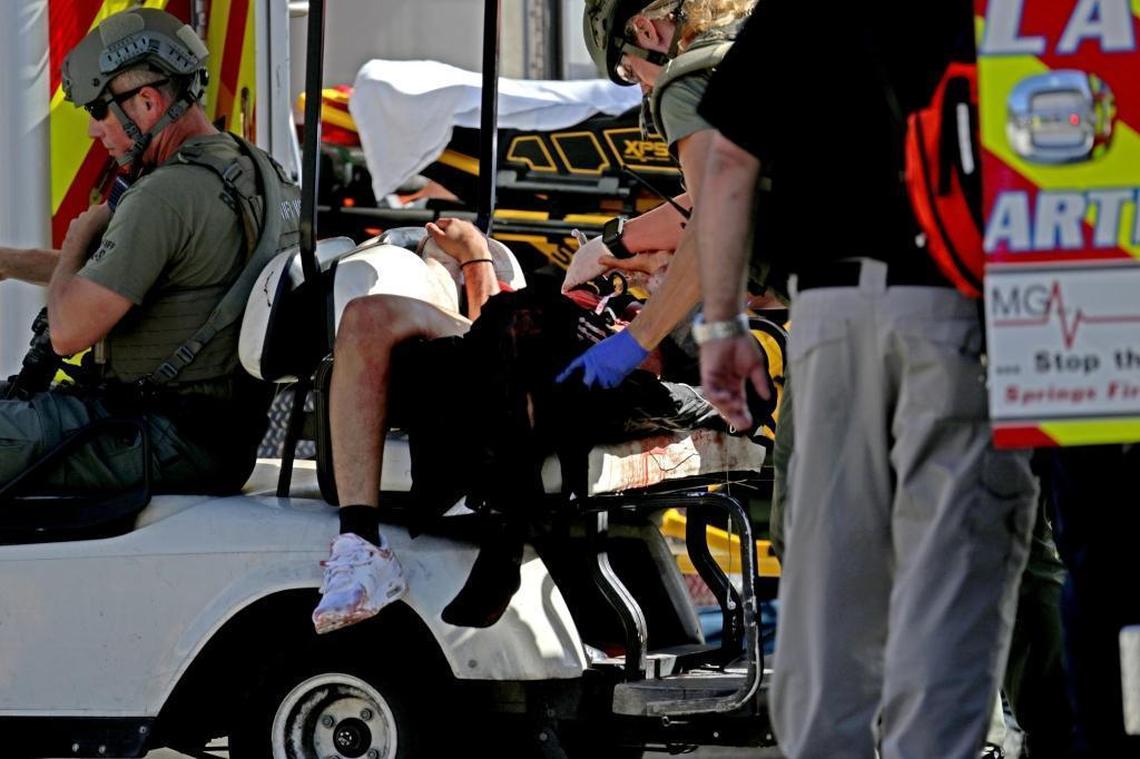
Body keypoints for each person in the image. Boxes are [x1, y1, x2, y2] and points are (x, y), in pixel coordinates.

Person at [692, 3, 1036, 758]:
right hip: (970, 312)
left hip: (828, 316)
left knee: (827, 584)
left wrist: (721, 325)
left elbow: (727, 163)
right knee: (949, 585)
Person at [0, 8, 300, 495]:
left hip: (158, 435)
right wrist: (11, 263)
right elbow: (129, 274)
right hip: (219, 437)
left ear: (146, 102)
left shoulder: (165, 194)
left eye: (98, 110)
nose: (94, 130)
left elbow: (67, 332)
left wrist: (79, 235)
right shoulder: (254, 170)